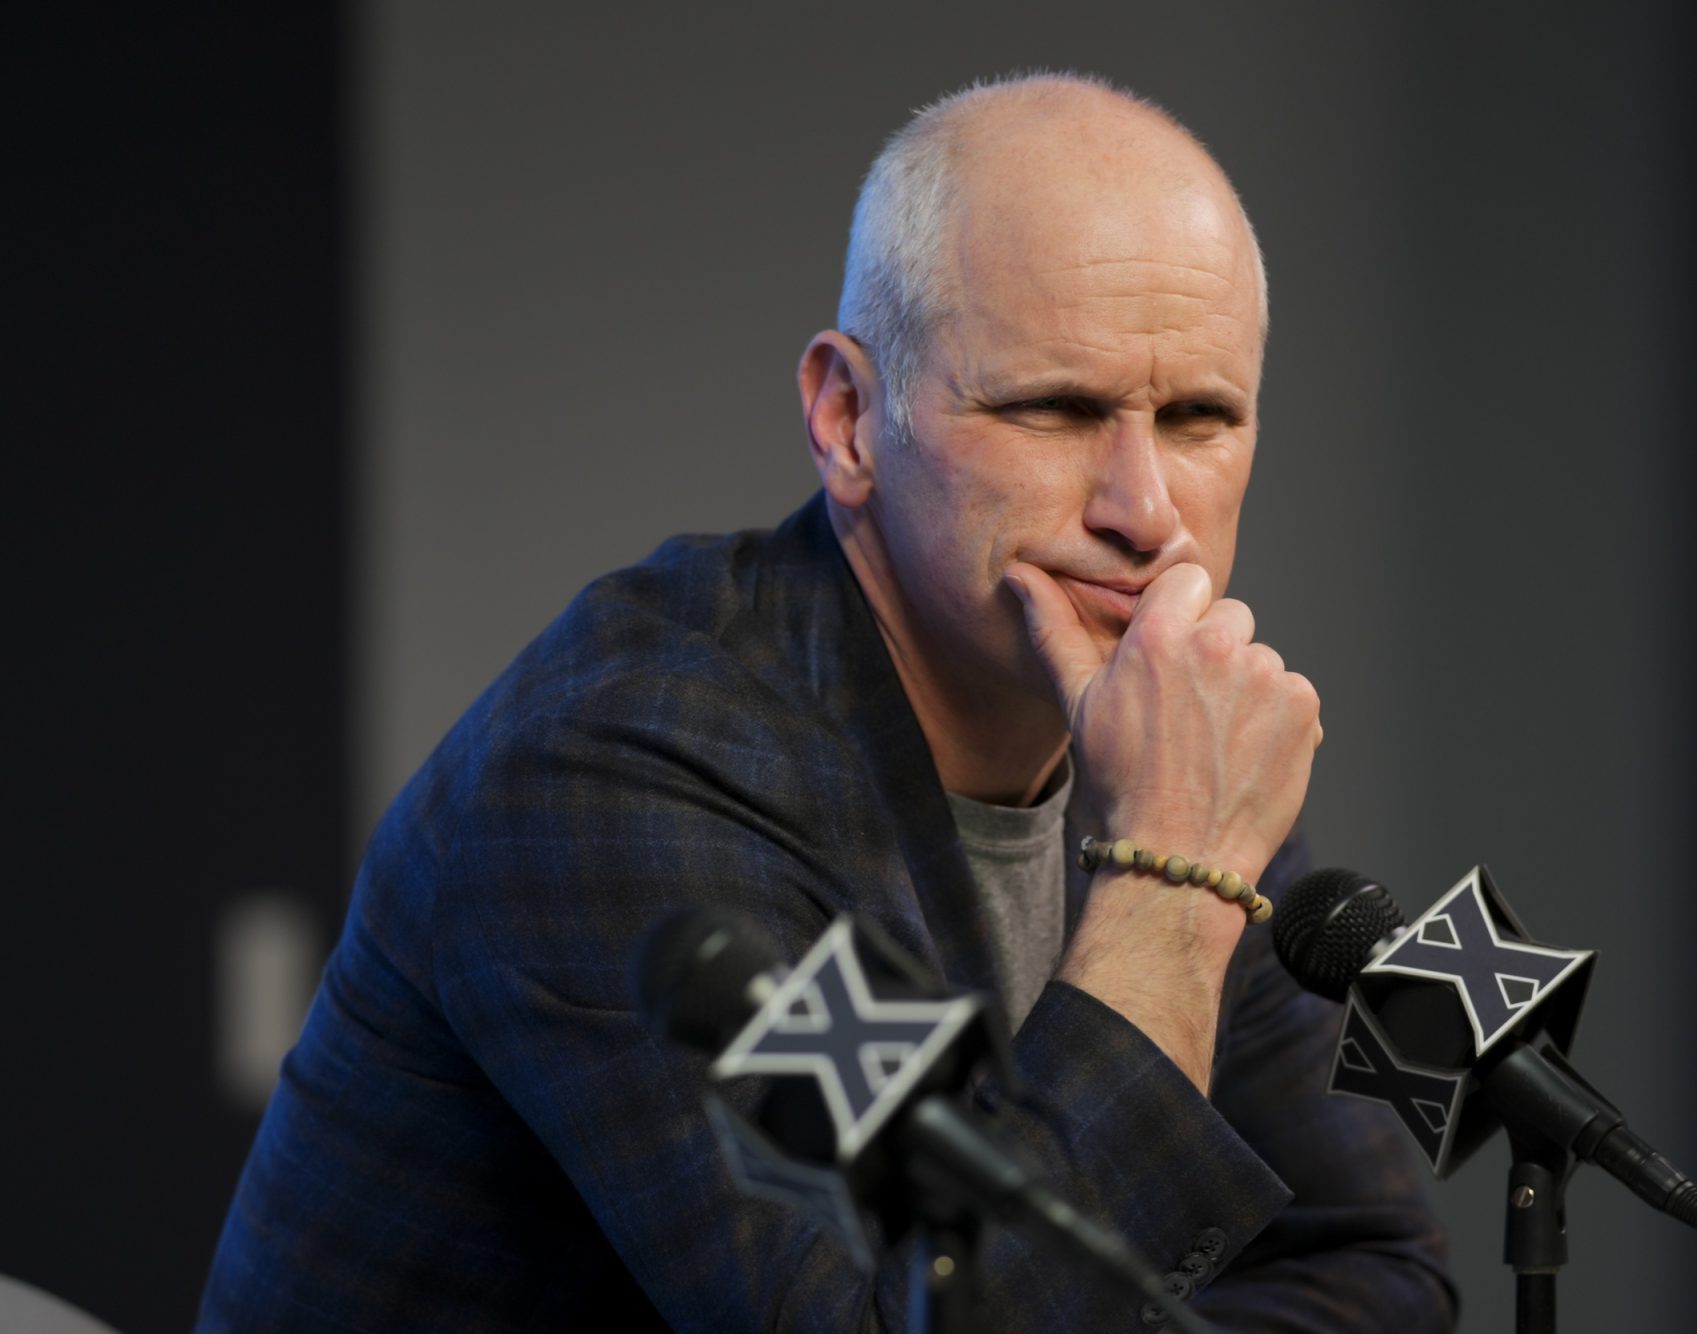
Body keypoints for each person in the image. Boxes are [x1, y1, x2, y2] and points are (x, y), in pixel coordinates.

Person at [199, 72, 1456, 1332]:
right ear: (849, 417)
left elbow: (1374, 1275)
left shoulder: (1163, 739)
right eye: (1055, 409)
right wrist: (1170, 881)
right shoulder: (627, 770)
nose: (1143, 508)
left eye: (1198, 417)